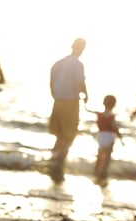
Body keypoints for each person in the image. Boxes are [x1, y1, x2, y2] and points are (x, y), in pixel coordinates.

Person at [48, 38, 88, 180]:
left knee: (59, 134)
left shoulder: (58, 63)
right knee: (69, 134)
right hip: (70, 101)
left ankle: (53, 159)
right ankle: (59, 162)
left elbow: (51, 82)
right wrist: (86, 94)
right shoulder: (77, 64)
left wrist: (55, 95)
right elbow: (80, 82)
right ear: (81, 48)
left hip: (58, 100)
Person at [85, 95, 124, 181]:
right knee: (106, 159)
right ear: (114, 105)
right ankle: (103, 174)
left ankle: (96, 172)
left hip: (101, 136)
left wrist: (85, 102)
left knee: (99, 156)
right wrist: (121, 139)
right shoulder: (111, 116)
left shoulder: (99, 114)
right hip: (109, 137)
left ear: (103, 103)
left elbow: (87, 110)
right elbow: (115, 128)